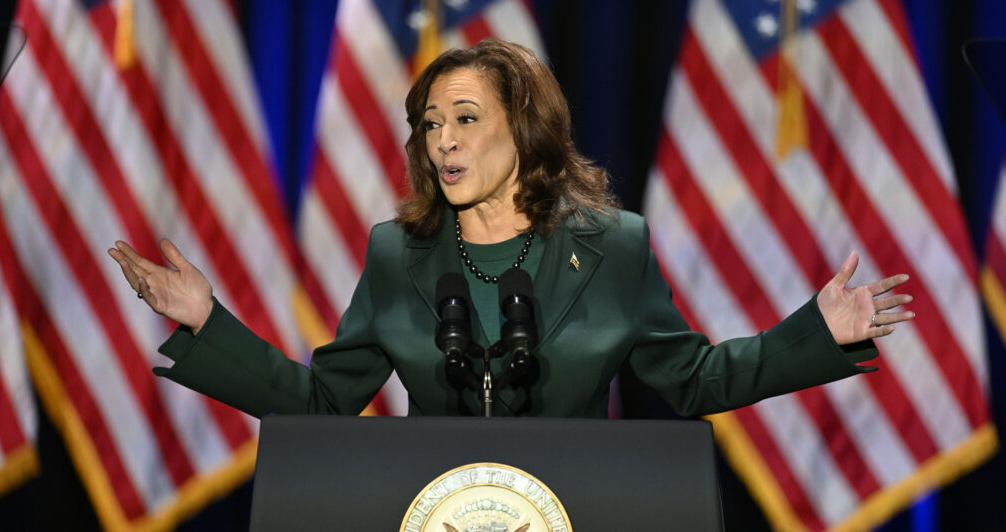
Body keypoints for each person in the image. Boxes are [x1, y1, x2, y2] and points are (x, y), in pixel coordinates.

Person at [107, 38, 913, 419]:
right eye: (429, 124)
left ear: (523, 128)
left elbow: (695, 379)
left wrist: (821, 331)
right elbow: (321, 402)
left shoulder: (615, 246)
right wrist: (208, 323)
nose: (444, 141)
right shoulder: (399, 254)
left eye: (465, 118)